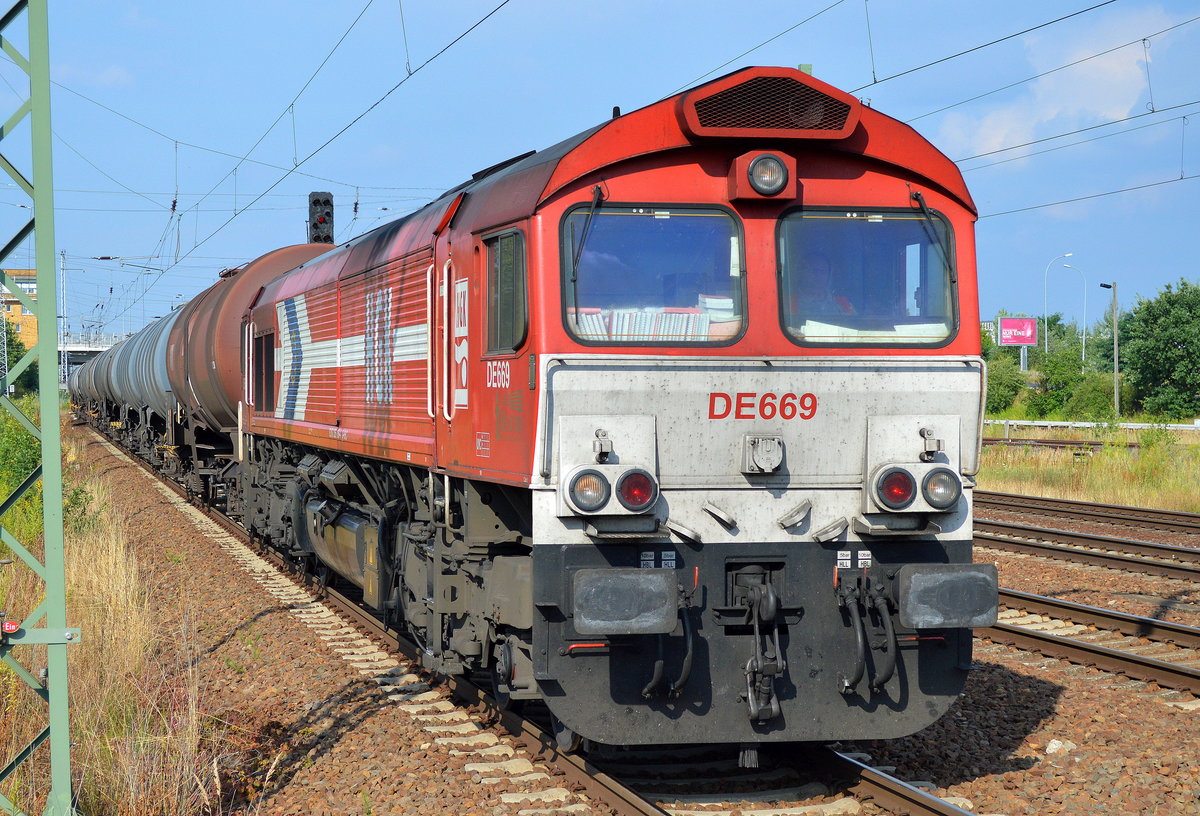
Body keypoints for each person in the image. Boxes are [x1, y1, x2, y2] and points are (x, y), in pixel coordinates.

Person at [793, 252, 854, 318]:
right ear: (801, 272)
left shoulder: (843, 303)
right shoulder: (790, 303)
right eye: (813, 270)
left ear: (829, 275)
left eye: (822, 271)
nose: (817, 275)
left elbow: (857, 325)